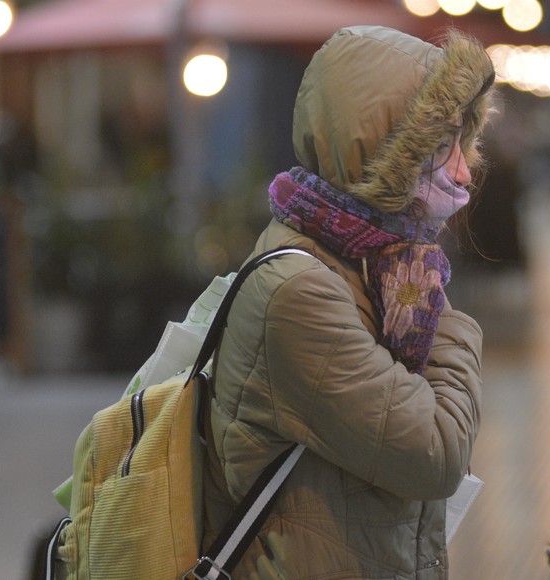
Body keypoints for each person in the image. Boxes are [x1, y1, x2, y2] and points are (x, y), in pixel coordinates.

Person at [202, 26, 496, 578]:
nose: (461, 171)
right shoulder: (302, 291)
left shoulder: (367, 262)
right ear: (378, 147)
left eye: (463, 143)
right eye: (439, 146)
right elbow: (437, 453)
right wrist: (449, 322)